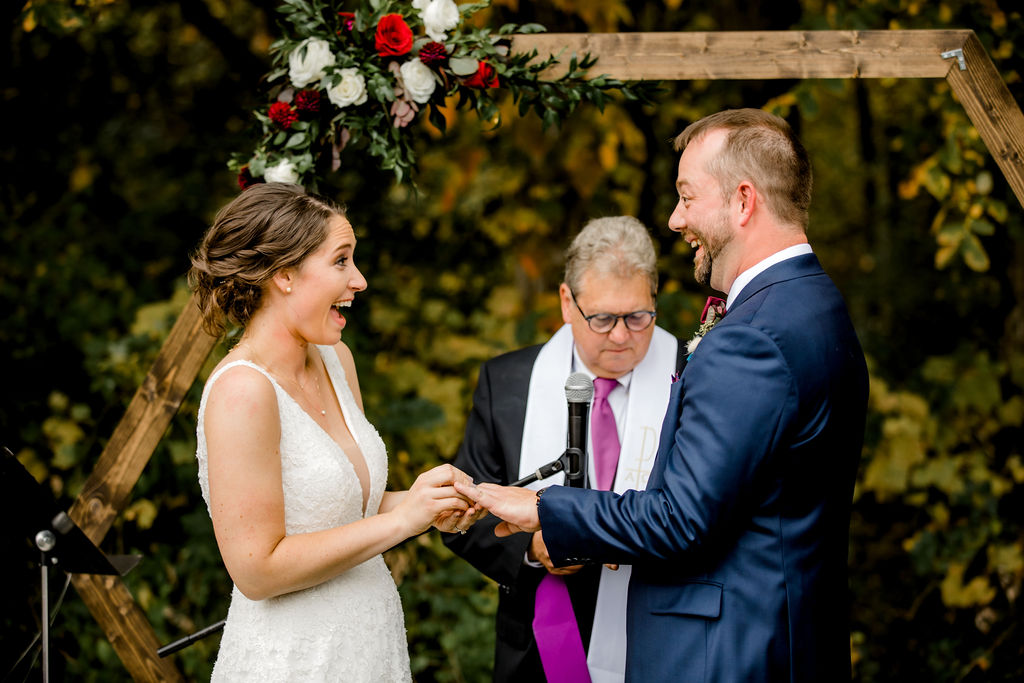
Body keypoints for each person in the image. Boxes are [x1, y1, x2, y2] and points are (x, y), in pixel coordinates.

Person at [456, 109, 870, 682]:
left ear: (743, 201)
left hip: (728, 652)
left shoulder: (751, 336)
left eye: (687, 196)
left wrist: (543, 507)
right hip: (784, 636)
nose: (676, 219)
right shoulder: (815, 303)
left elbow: (682, 519)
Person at [188, 183, 482, 682]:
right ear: (284, 274)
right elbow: (257, 569)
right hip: (293, 659)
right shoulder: (243, 392)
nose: (360, 280)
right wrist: (403, 521)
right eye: (341, 261)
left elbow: (341, 508)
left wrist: (425, 502)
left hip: (369, 642)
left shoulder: (336, 361)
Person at [444, 216, 685, 683]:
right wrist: (532, 546)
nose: (620, 335)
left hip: (659, 636)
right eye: (602, 318)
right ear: (566, 302)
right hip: (538, 647)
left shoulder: (691, 375)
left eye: (637, 317)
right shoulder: (507, 382)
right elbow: (464, 515)